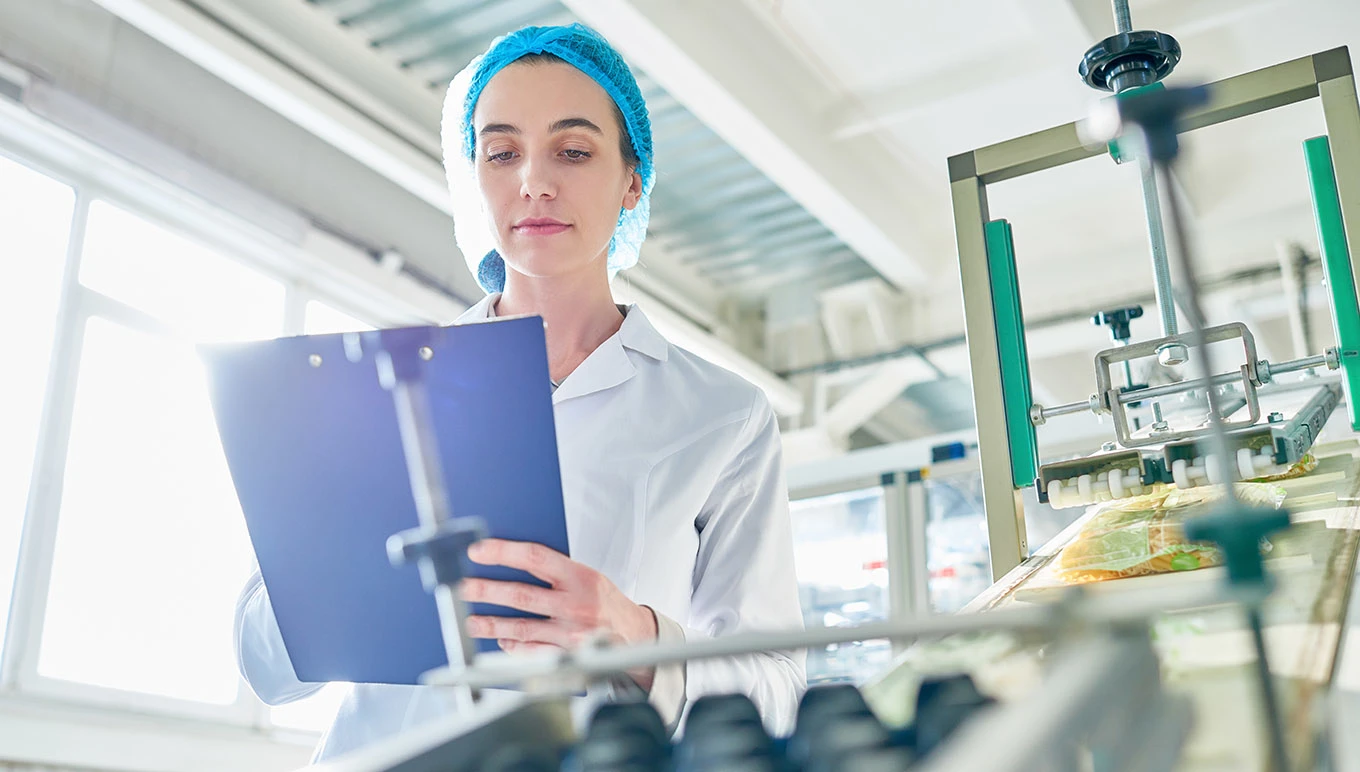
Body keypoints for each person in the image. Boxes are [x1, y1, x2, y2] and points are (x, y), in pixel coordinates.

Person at [233, 22, 806, 762]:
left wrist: (636, 633)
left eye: (573, 150)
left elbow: (778, 688)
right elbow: (262, 669)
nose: (534, 180)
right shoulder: (378, 387)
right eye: (501, 152)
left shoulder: (721, 417)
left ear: (633, 180)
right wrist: (340, 570)